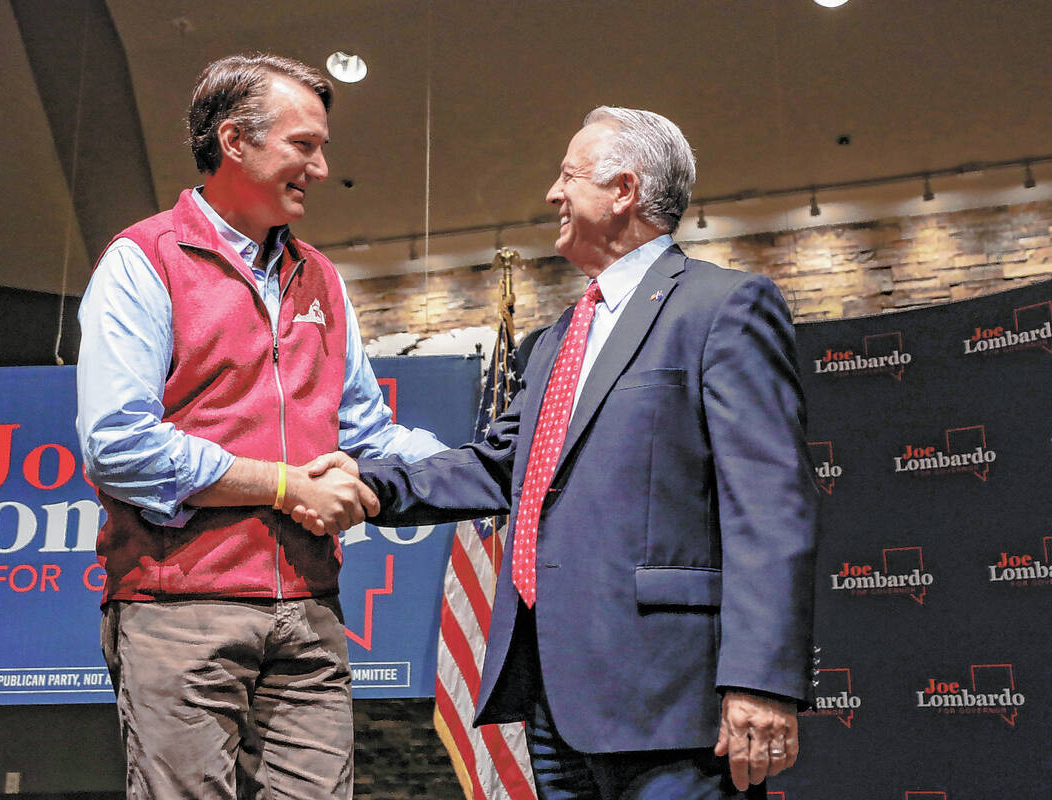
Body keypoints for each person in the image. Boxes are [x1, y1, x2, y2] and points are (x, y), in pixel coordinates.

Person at [341, 107, 819, 799]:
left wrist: (760, 681)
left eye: (568, 175)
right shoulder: (555, 339)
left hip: (672, 705)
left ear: (623, 191)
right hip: (556, 703)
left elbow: (772, 504)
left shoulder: (724, 307)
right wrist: (371, 487)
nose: (551, 194)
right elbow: (497, 466)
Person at [75, 53, 442, 800]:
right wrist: (280, 484)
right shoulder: (142, 261)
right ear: (235, 142)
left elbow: (369, 433)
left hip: (309, 612)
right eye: (303, 144)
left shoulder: (324, 280)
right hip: (180, 613)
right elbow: (119, 447)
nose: (321, 164)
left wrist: (502, 469)